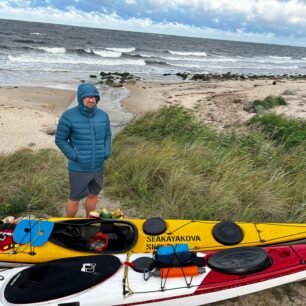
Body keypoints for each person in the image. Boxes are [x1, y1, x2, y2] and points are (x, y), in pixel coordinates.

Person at [55, 83, 111, 217]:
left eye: (93, 97)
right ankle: (69, 224)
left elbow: (108, 135)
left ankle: (88, 220)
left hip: (98, 166)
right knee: (74, 199)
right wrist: (74, 156)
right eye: (87, 97)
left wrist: (106, 151)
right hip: (79, 167)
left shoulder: (103, 116)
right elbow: (60, 139)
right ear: (81, 98)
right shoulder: (69, 116)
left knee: (93, 195)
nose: (91, 100)